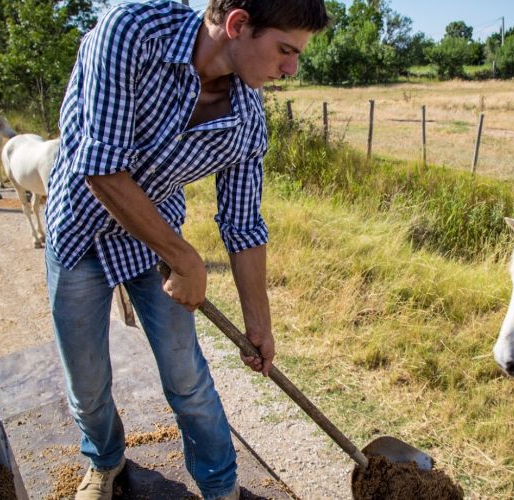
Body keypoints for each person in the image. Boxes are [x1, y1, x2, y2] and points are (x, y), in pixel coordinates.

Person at [43, 0, 329, 498]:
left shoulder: (245, 119)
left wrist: (258, 324)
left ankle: (220, 487)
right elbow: (101, 169)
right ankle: (105, 461)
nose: (292, 68)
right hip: (82, 232)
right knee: (87, 385)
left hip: (154, 244)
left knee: (188, 380)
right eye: (285, 50)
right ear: (238, 25)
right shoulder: (131, 33)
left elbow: (243, 226)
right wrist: (186, 258)